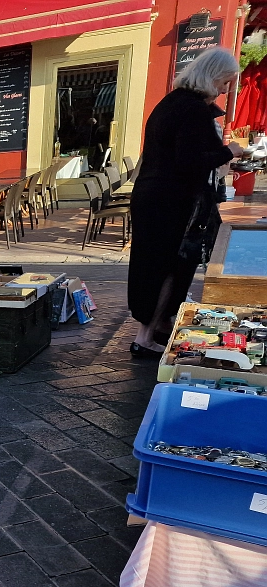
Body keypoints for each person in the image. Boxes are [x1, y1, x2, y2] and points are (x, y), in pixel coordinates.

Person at [128, 46, 243, 358]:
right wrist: (229, 152)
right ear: (213, 75)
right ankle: (146, 336)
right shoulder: (191, 108)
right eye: (226, 81)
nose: (226, 88)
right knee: (167, 267)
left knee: (157, 266)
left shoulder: (172, 102)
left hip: (153, 196)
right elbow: (188, 161)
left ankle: (156, 326)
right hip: (168, 201)